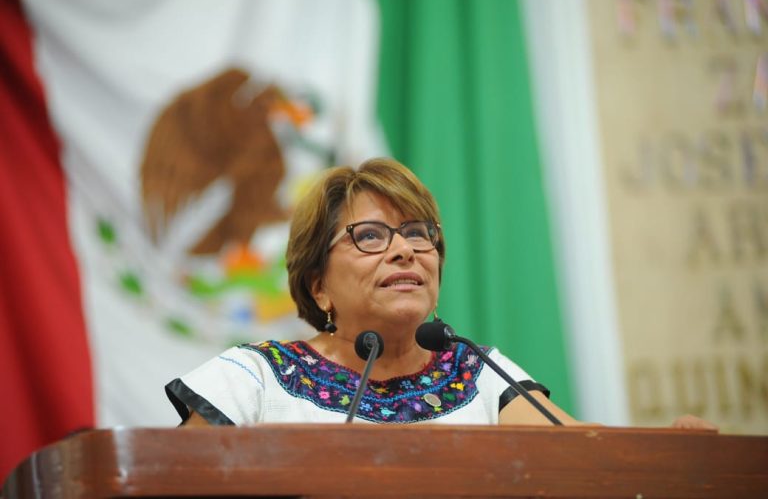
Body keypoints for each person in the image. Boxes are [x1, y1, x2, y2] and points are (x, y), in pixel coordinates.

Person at [165, 158, 714, 429]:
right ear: (318, 286)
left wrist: (664, 446)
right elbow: (170, 482)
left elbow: (585, 452)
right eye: (371, 236)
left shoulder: (477, 374)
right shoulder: (254, 378)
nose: (405, 251)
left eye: (417, 234)